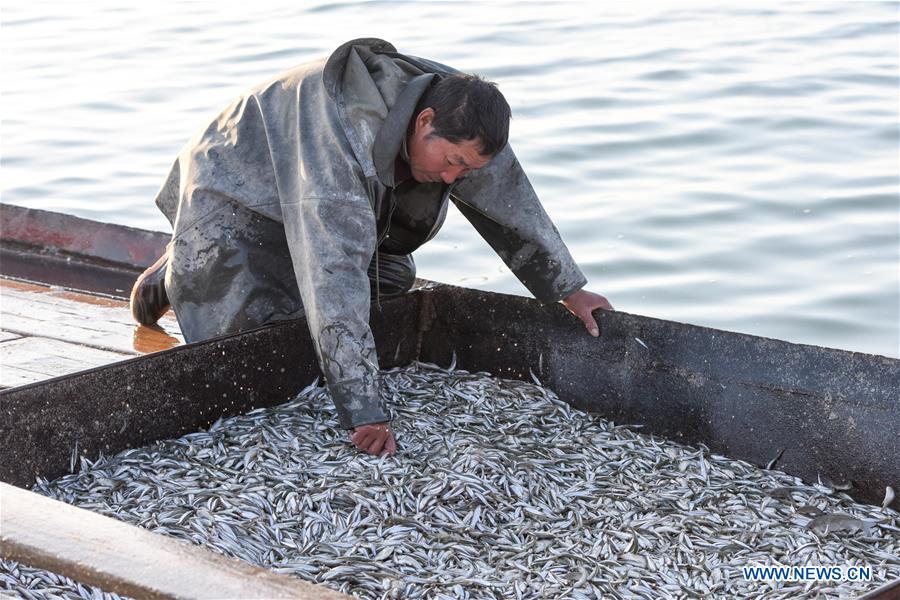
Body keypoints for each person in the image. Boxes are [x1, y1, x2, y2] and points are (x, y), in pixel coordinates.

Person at [130, 38, 613, 457]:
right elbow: (332, 277)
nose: (451, 178)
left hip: (308, 201)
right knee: (255, 345)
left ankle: (194, 266)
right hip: (236, 198)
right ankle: (186, 263)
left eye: (463, 170)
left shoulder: (457, 111)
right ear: (424, 123)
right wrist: (365, 409)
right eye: (449, 162)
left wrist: (569, 291)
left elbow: (511, 201)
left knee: (392, 282)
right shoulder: (339, 147)